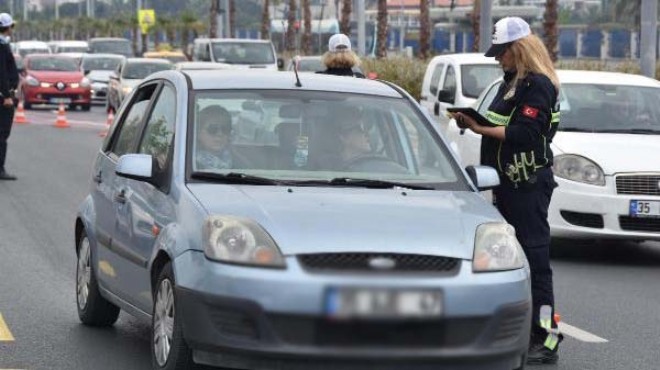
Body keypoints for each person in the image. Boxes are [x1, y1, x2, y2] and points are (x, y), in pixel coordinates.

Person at [452, 17, 562, 365]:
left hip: (528, 184)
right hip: (507, 183)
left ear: (519, 49)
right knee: (510, 260)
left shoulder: (539, 85)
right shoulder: (510, 83)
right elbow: (499, 124)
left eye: (502, 53)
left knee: (536, 261)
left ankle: (546, 337)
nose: (498, 59)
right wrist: (470, 122)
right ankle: (517, 330)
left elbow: (527, 135)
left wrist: (480, 128)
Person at [195, 105, 248, 170]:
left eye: (225, 129)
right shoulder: (188, 163)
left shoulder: (240, 162)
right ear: (199, 133)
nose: (219, 134)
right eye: (213, 129)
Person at [0, 12, 18, 180]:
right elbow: (2, 73)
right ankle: (0, 169)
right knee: (2, 134)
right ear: (8, 27)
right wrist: (6, 95)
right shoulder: (2, 45)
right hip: (3, 97)